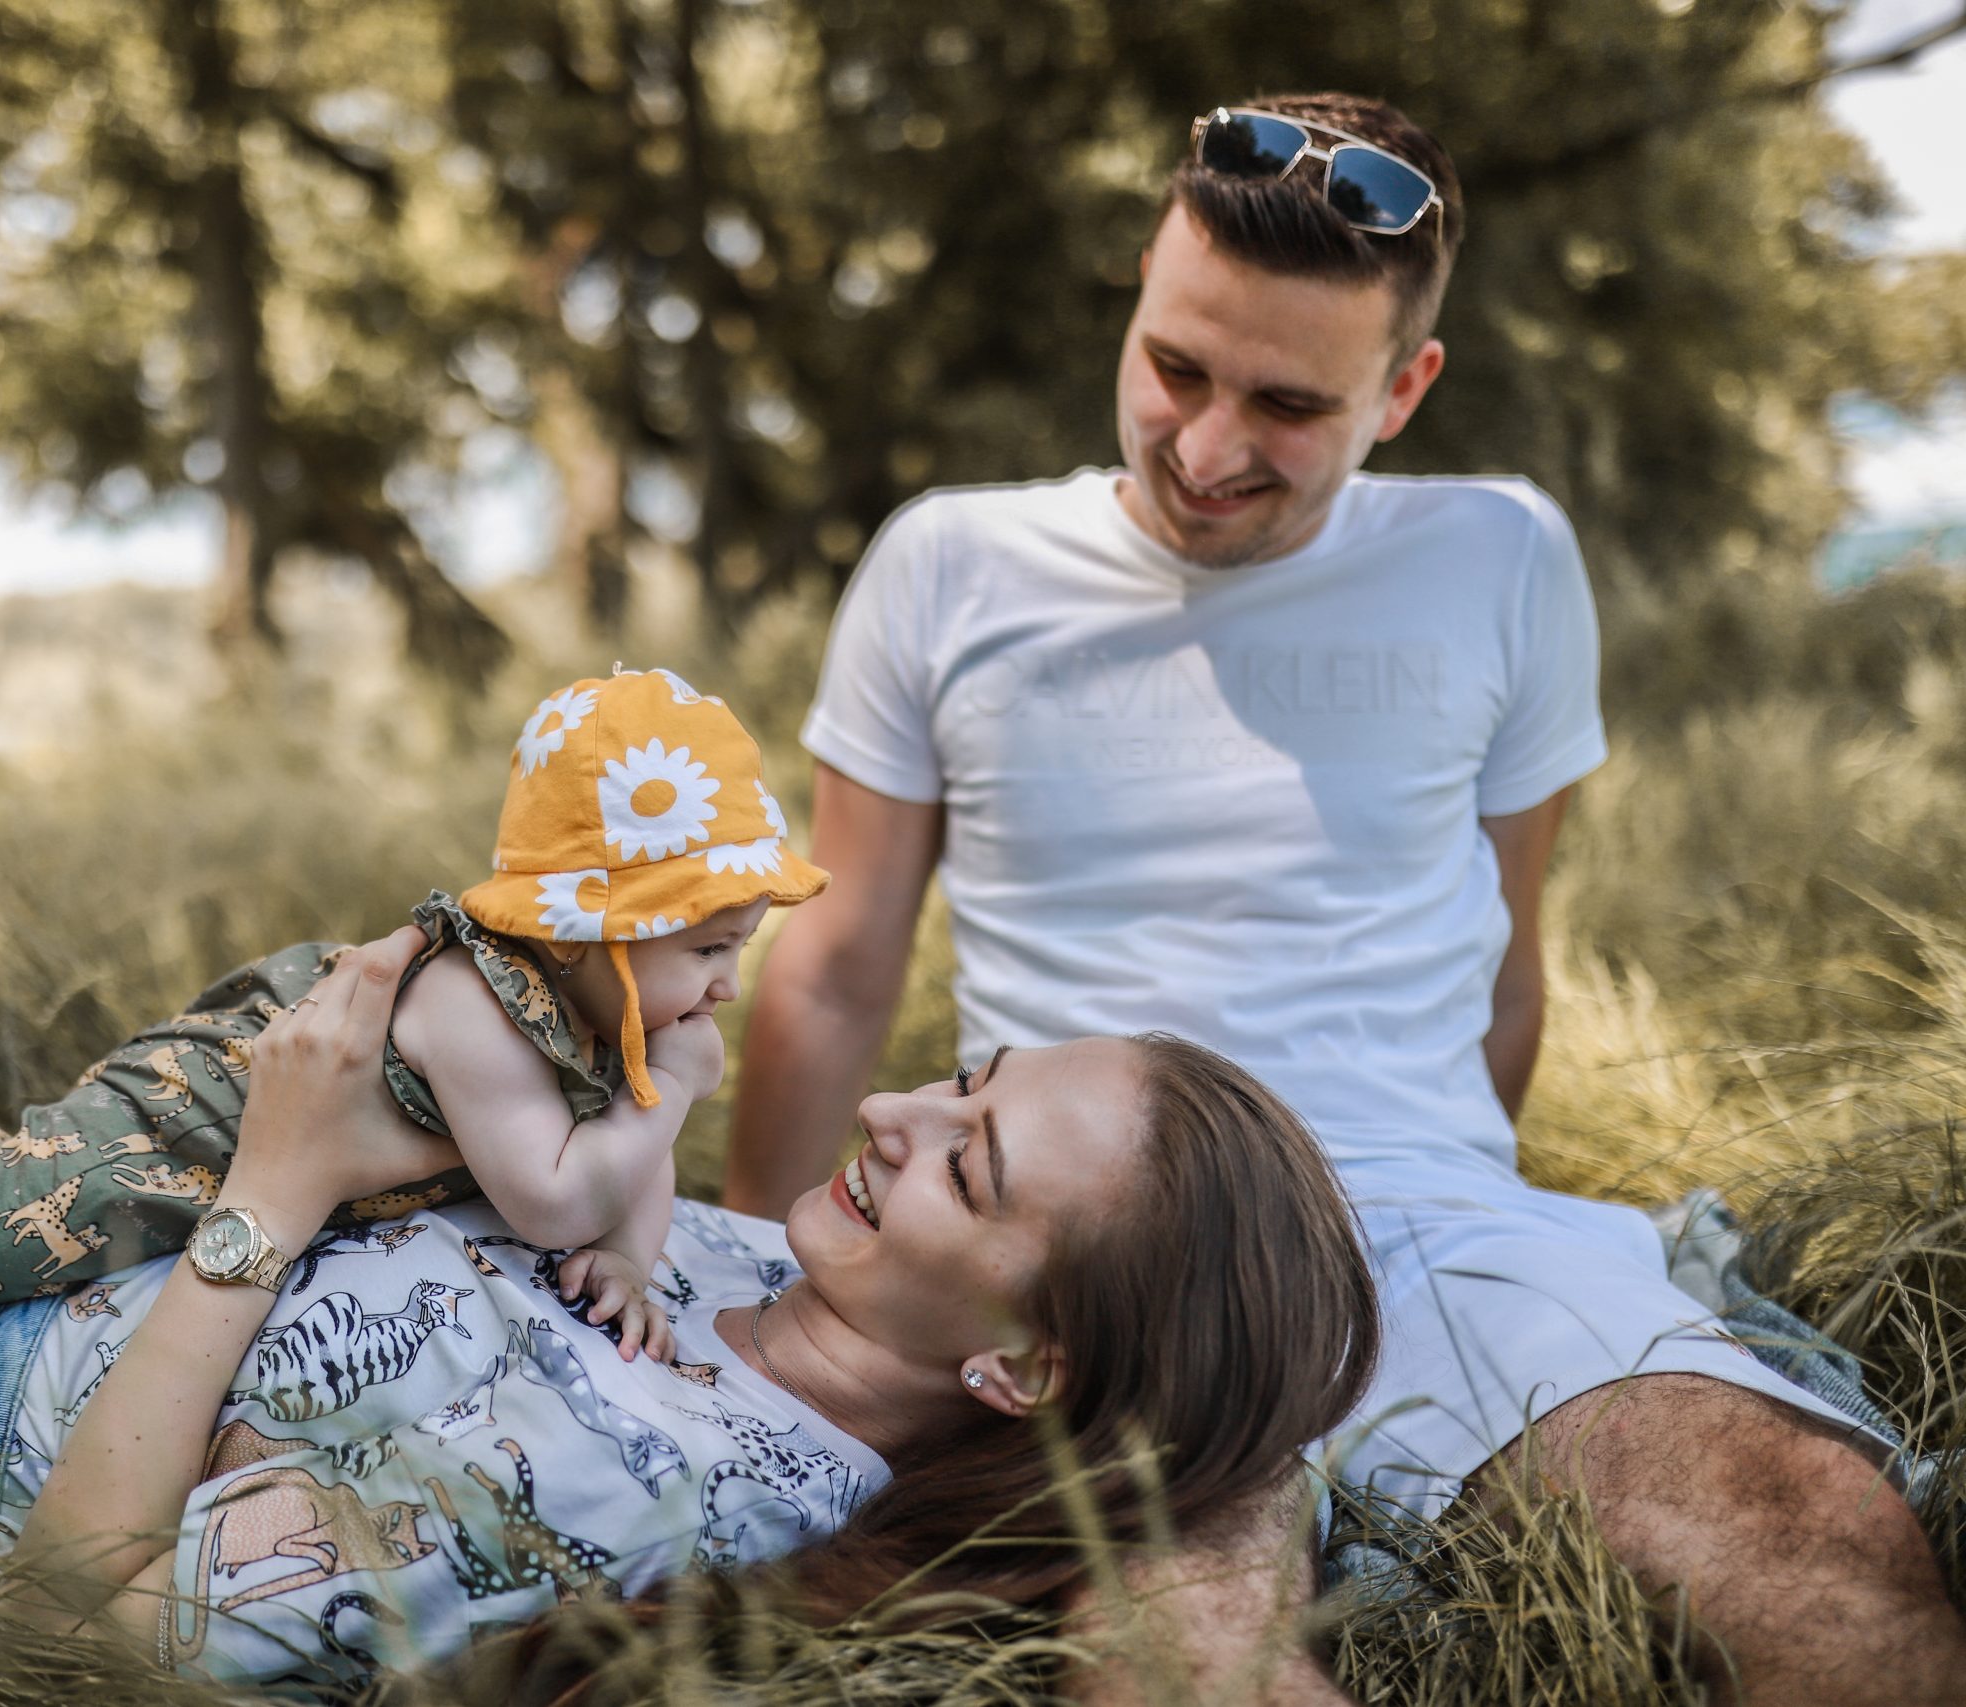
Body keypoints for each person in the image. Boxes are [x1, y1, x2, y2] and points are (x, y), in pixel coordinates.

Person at [725, 91, 1966, 1701]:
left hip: (1430, 1217)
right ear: (1140, 305)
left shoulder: (1505, 557)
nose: (1207, 444)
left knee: (1803, 1533)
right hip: (1084, 1255)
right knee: (1173, 1649)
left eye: (1290, 402)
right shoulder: (947, 564)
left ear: (1405, 390)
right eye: (1175, 366)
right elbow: (834, 965)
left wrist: (1463, 1214)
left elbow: (1508, 956)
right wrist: (749, 1284)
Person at [0, 796, 1376, 1699]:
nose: (890, 1111)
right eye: (965, 1076)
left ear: (1019, 1367)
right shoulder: (750, 1274)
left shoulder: (601, 1487)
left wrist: (274, 1184)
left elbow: (58, 1631)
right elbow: (1219, 1460)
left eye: (969, 1163)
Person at [0, 664, 825, 1361]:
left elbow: (616, 1170)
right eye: (707, 951)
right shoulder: (472, 1006)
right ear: (572, 934)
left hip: (281, 1183)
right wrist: (676, 1090)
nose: (726, 988)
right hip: (181, 1131)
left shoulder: (616, 1015)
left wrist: (633, 1262)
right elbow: (558, 1200)